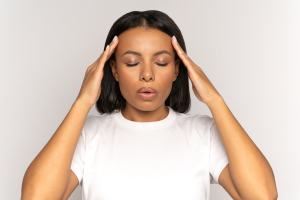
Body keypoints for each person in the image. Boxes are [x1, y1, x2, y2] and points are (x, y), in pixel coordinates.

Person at [21, 10, 278, 200]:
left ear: (178, 69)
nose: (147, 74)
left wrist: (214, 100)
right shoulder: (89, 134)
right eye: (132, 62)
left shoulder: (203, 133)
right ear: (114, 70)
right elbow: (35, 197)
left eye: (162, 62)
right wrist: (82, 101)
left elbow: (263, 196)